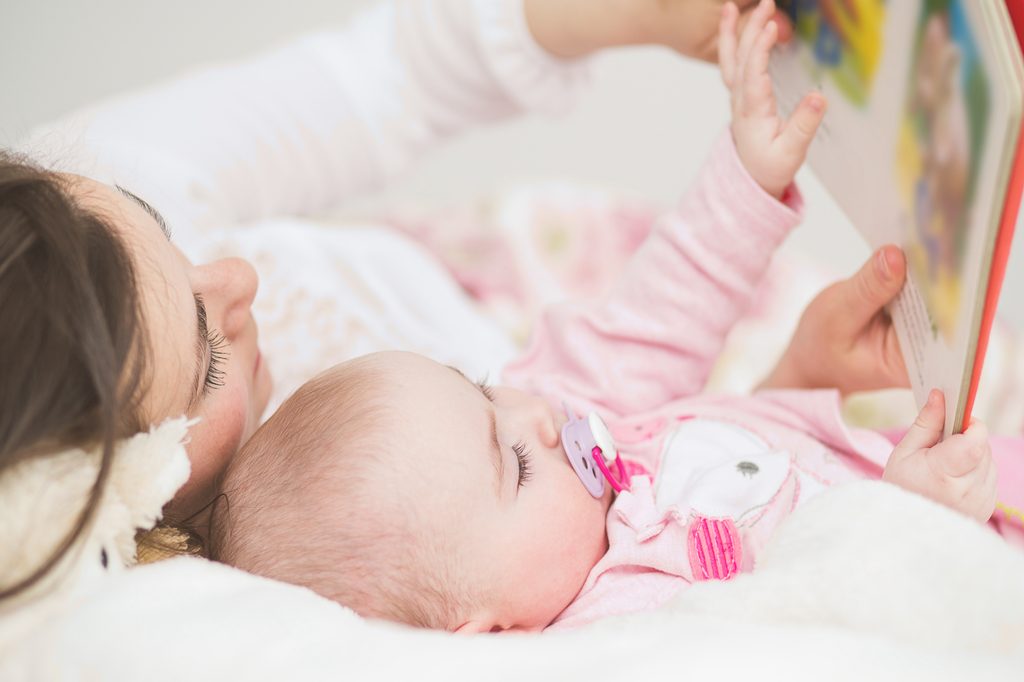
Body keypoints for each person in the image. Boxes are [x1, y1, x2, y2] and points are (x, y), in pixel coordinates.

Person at [0, 0, 909, 608]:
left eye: (163, 227)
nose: (240, 278)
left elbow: (602, 387)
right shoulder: (288, 603)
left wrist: (782, 391)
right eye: (206, 358)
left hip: (588, 320)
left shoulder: (71, 207)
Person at [209, 2, 1013, 633]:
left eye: (485, 390)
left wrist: (746, 171)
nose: (538, 415)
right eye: (513, 462)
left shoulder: (564, 416)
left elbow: (658, 314)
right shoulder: (627, 631)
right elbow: (817, 618)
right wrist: (908, 530)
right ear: (489, 633)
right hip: (955, 570)